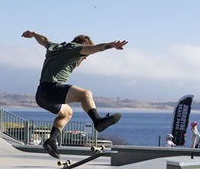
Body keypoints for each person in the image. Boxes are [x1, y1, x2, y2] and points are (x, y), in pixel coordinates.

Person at [22, 30, 128, 159]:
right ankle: (98, 121)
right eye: (85, 56)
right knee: (85, 94)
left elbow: (43, 40)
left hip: (41, 96)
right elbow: (98, 48)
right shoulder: (76, 49)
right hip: (51, 89)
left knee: (67, 113)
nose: (84, 58)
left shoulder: (55, 46)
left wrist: (33, 34)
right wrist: (112, 45)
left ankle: (51, 140)